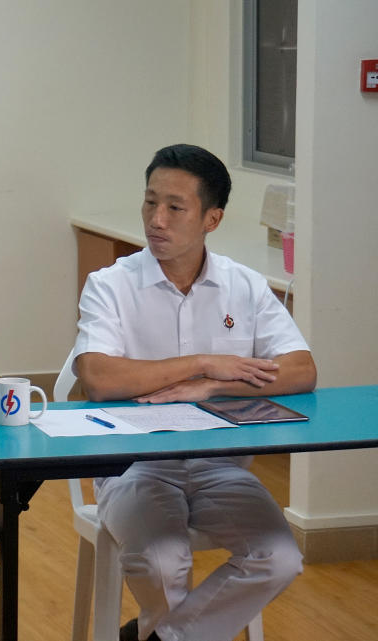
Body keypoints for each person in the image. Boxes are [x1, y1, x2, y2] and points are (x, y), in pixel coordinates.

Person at [71, 144, 316, 641]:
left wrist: (214, 383)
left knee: (281, 558)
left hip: (219, 466)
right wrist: (201, 360)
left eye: (175, 208)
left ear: (212, 218)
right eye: (149, 203)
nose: (156, 220)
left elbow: (302, 369)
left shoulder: (243, 286)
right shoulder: (111, 285)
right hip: (132, 465)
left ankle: (157, 637)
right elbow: (97, 377)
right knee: (163, 564)